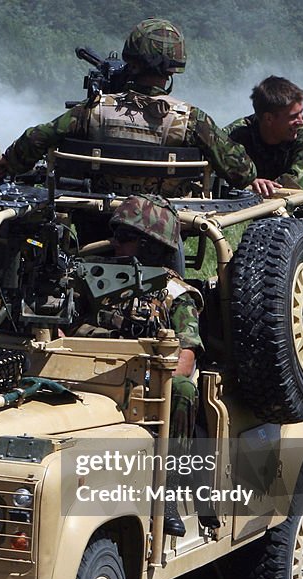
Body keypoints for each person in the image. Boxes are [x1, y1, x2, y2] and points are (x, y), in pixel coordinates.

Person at [77, 194, 218, 535]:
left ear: (150, 248)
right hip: (90, 377)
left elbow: (185, 360)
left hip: (144, 389)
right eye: (116, 235)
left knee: (182, 389)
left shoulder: (175, 294)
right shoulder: (94, 279)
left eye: (124, 239)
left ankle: (166, 489)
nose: (114, 244)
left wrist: (141, 373)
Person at [0, 18, 256, 196]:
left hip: (94, 218)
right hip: (164, 225)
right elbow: (242, 172)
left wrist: (8, 164)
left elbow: (37, 138)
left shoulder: (90, 111)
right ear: (174, 69)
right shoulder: (192, 120)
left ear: (132, 60)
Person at [224, 76, 303, 225]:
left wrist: (245, 184)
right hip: (265, 217)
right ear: (268, 119)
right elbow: (214, 159)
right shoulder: (239, 132)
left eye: (301, 113)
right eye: (294, 116)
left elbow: (298, 186)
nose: (300, 121)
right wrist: (251, 180)